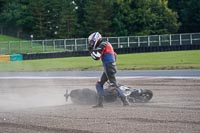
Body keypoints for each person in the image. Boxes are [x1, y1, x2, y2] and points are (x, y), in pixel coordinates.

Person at [88, 32, 129, 108]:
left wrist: (91, 50)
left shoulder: (103, 44)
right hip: (109, 67)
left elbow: (96, 57)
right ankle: (100, 103)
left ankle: (125, 101)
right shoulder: (106, 43)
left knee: (114, 84)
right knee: (99, 84)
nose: (90, 43)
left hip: (108, 67)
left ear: (96, 39)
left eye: (91, 41)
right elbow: (115, 55)